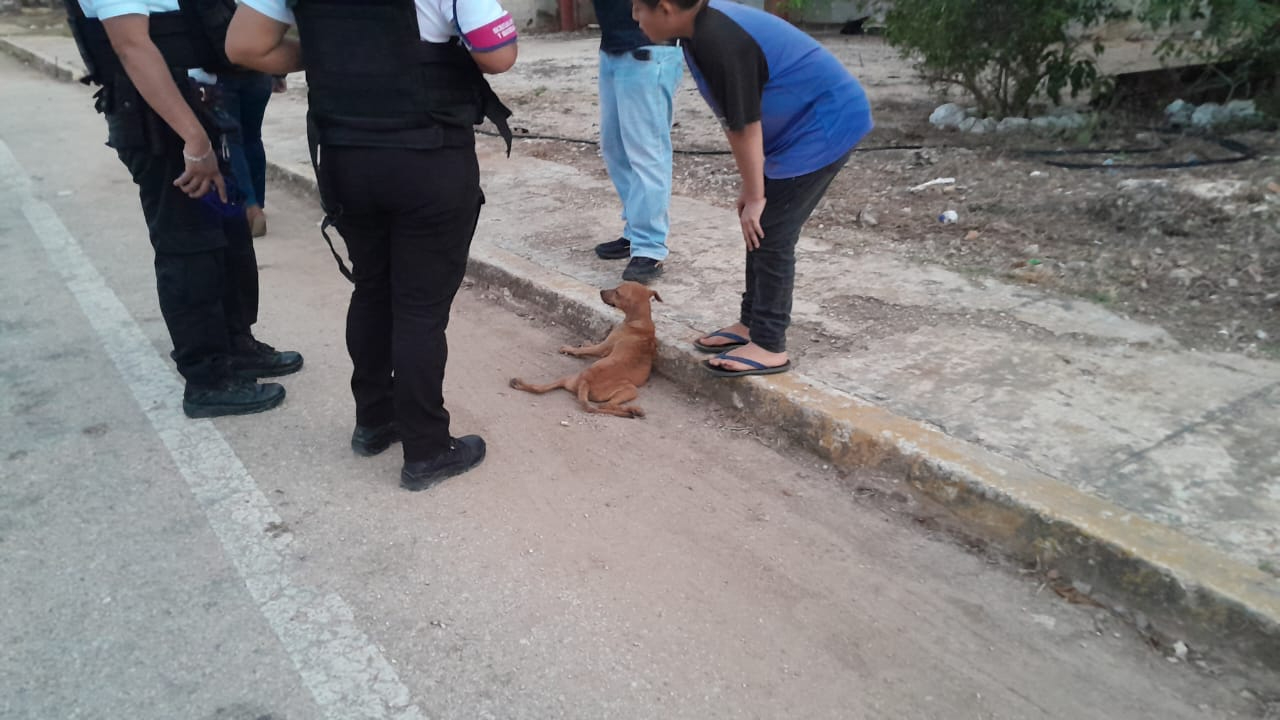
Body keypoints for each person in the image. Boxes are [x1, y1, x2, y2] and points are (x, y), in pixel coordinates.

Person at [226, 0, 518, 491]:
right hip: (427, 156)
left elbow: (244, 45)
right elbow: (497, 53)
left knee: (372, 288)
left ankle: (375, 421)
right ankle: (427, 449)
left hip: (345, 156)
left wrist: (330, 52)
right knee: (420, 309)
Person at [64, 0, 303, 418]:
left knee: (228, 237)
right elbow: (132, 48)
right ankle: (207, 379)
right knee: (189, 247)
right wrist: (193, 139)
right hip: (163, 123)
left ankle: (235, 345)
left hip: (208, 106)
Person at [631, 0, 873, 377]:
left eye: (637, 7)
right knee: (756, 225)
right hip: (794, 131)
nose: (633, 17)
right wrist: (753, 186)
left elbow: (743, 126)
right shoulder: (697, 28)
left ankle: (770, 344)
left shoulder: (719, 40)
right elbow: (740, 117)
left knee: (772, 230)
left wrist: (757, 194)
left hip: (825, 126)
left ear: (664, 8)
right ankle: (750, 325)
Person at [590, 0, 683, 284]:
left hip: (648, 49)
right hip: (614, 47)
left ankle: (650, 248)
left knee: (646, 151)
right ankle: (636, 232)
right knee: (615, 147)